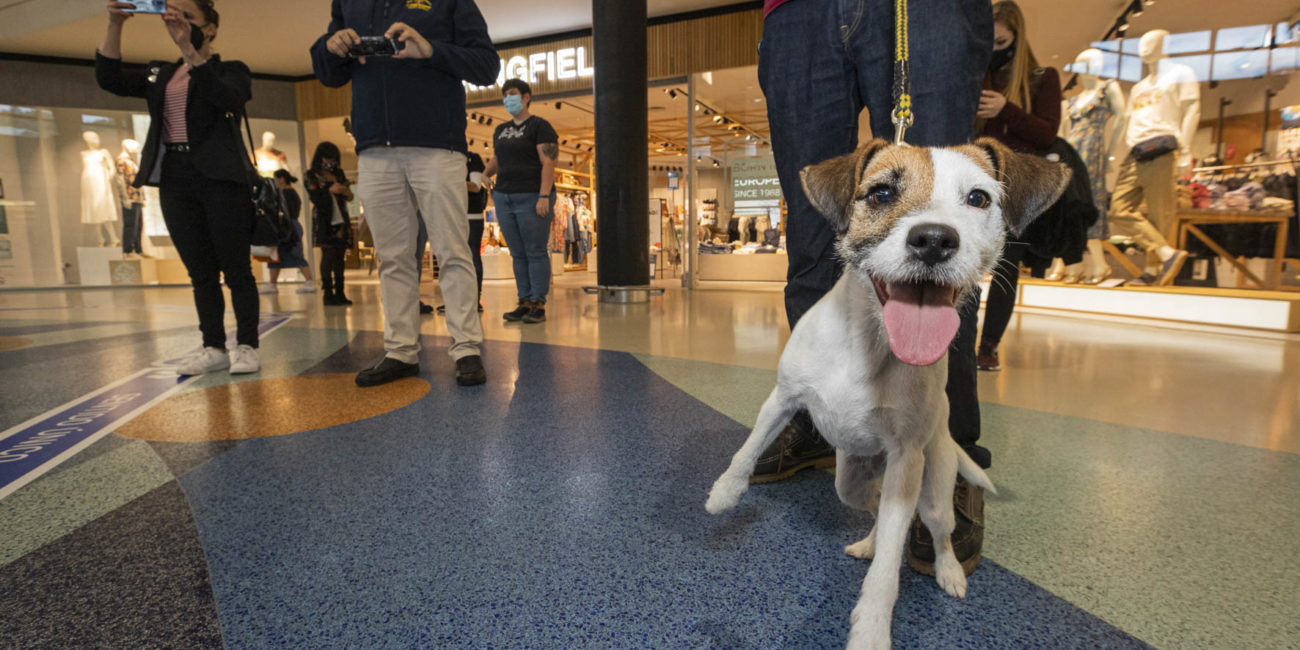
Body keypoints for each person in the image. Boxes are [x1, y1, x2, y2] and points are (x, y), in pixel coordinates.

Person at [754, 0, 992, 575]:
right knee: (812, 237)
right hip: (795, 12)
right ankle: (815, 424)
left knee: (941, 226)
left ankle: (948, 451)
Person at [311, 0, 494, 387]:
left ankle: (465, 348)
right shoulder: (349, 2)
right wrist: (329, 46)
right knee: (393, 257)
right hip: (375, 149)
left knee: (452, 250)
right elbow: (329, 75)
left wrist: (430, 49)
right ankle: (401, 351)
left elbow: (486, 66)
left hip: (438, 146)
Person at [96, 0, 261, 376]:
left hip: (223, 179)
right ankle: (214, 347)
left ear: (212, 28)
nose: (179, 23)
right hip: (175, 178)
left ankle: (248, 345)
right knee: (200, 271)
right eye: (175, 16)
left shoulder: (232, 70)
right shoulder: (160, 73)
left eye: (189, 18)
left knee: (236, 269)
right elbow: (109, 78)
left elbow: (227, 99)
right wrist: (115, 24)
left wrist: (189, 49)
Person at [975, 0, 1061, 372]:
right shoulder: (978, 76)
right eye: (988, 40)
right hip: (978, 185)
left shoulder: (1044, 78)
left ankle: (989, 345)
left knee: (1007, 268)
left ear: (1016, 37)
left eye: (1001, 41)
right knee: (967, 264)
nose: (994, 48)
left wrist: (1006, 109)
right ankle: (957, 342)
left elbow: (1047, 134)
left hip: (1016, 189)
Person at [483, 79, 559, 325]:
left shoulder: (540, 126)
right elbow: (498, 158)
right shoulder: (500, 130)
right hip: (504, 196)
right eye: (505, 95)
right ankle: (524, 300)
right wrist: (486, 173)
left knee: (535, 251)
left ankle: (538, 302)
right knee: (517, 253)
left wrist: (544, 195)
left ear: (526, 97)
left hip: (531, 195)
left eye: (513, 94)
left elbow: (549, 161)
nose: (508, 99)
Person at [437, 150, 489, 315]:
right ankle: (454, 299)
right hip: (451, 214)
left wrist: (449, 182)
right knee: (451, 257)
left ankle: (474, 300)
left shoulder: (472, 158)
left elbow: (475, 186)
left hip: (471, 216)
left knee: (472, 257)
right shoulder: (444, 157)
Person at [306, 142, 354, 307]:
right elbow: (314, 197)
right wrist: (329, 191)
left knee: (340, 256)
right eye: (328, 158)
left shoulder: (339, 174)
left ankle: (340, 292)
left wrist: (346, 192)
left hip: (341, 218)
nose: (331, 162)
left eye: (334, 159)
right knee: (328, 255)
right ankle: (328, 293)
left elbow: (350, 196)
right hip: (324, 220)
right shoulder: (311, 175)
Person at [261, 169, 317, 295]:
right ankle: (273, 284)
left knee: (291, 253)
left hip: (286, 227)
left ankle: (308, 281)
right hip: (289, 226)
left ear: (282, 179)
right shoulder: (291, 193)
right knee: (277, 256)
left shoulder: (284, 193)